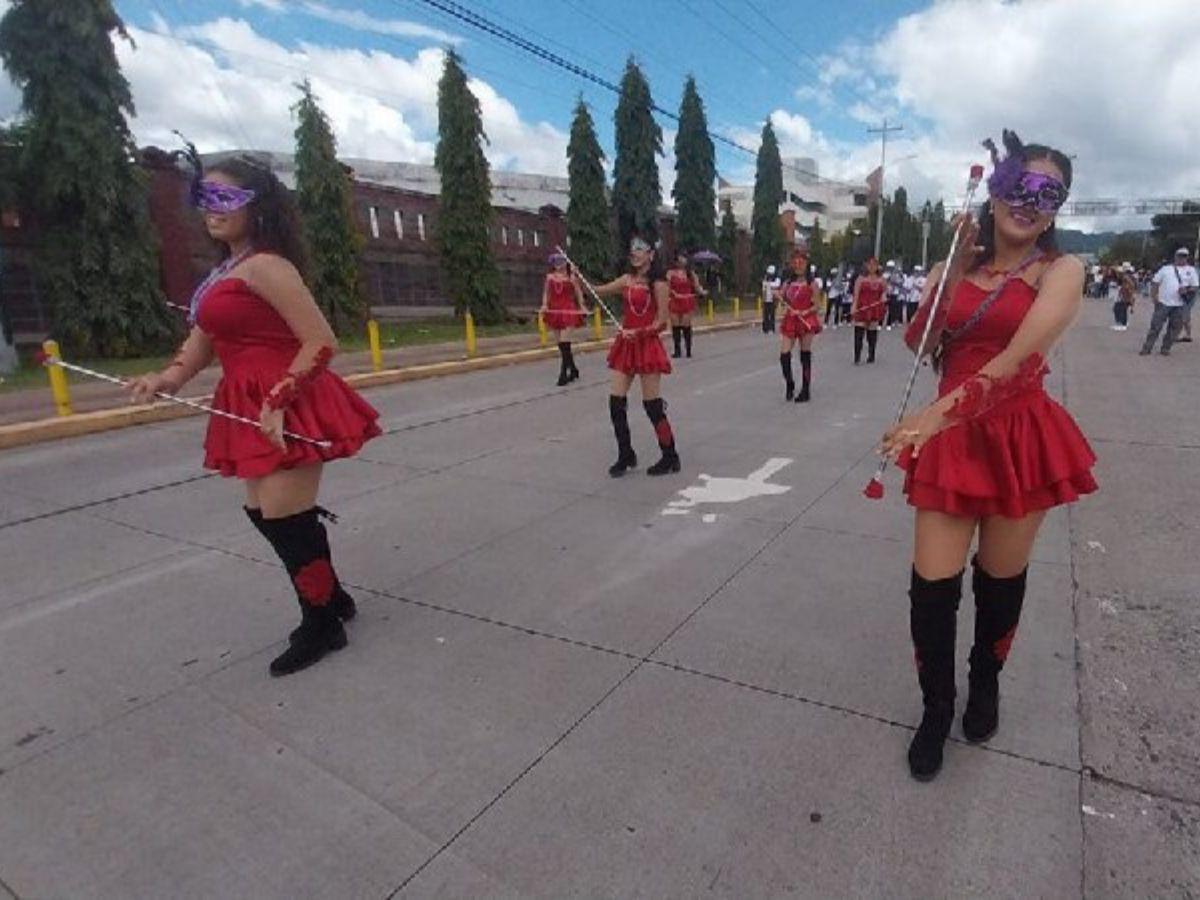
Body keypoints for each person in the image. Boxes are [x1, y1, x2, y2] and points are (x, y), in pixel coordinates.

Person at [882, 130, 1096, 782]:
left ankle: (986, 681)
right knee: (932, 589)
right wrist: (950, 277)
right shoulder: (956, 264)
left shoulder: (1063, 270)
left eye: (1047, 194)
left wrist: (934, 414)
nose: (1029, 202)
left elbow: (1020, 359)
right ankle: (936, 710)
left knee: (1000, 581)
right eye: (1017, 186)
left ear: (1057, 208)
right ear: (995, 189)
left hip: (1016, 437)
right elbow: (920, 345)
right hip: (951, 443)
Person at [127, 157, 381, 678]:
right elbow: (204, 341)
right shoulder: (224, 272)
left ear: (256, 205)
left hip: (290, 400)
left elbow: (320, 340)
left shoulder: (269, 266)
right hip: (243, 402)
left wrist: (282, 396)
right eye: (204, 198)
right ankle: (331, 596)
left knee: (286, 517)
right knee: (266, 513)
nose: (210, 210)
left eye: (224, 199)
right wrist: (167, 378)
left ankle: (322, 623)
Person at [582, 235, 680, 477]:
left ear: (651, 254)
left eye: (640, 249)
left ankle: (670, 456)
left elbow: (662, 322)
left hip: (646, 345)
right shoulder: (626, 279)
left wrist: (638, 332)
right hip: (626, 346)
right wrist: (579, 280)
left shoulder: (658, 283)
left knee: (653, 406)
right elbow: (597, 291)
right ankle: (625, 454)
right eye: (632, 248)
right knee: (616, 402)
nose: (634, 252)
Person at [777, 252, 822, 402]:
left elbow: (817, 305)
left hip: (806, 319)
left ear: (806, 265)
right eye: (795, 263)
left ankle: (805, 389)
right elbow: (782, 297)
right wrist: (777, 295)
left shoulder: (812, 284)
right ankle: (790, 383)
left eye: (801, 263)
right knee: (784, 355)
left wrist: (804, 311)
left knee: (805, 355)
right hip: (791, 319)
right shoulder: (788, 283)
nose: (798, 266)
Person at [539, 251, 587, 385]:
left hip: (568, 311)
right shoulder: (550, 278)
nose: (559, 265)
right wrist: (544, 305)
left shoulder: (572, 278)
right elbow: (546, 293)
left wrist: (582, 306)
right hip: (554, 311)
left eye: (561, 262)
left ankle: (563, 374)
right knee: (561, 344)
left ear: (566, 263)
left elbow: (578, 293)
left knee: (565, 341)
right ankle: (573, 369)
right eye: (556, 262)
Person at [1140, 248, 1199, 355]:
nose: (1182, 258)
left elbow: (1195, 286)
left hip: (1180, 304)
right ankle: (1147, 348)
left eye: (1184, 256)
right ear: (1175, 256)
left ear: (1187, 257)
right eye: (1180, 256)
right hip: (1163, 302)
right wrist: (1154, 297)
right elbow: (1155, 283)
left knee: (1174, 328)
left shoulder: (1191, 270)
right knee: (1155, 327)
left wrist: (1187, 289)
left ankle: (1165, 348)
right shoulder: (1166, 269)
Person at [667, 250, 705, 358]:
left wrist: (702, 292)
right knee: (675, 325)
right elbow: (666, 286)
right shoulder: (670, 273)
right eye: (680, 257)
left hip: (687, 300)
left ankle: (688, 349)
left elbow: (697, 286)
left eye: (684, 257)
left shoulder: (690, 273)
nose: (682, 260)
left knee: (686, 325)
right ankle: (677, 350)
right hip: (675, 300)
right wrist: (671, 293)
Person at [851, 256, 887, 363]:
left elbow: (885, 292)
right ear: (866, 266)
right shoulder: (861, 279)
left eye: (874, 265)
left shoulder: (881, 280)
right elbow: (856, 294)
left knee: (872, 332)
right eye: (869, 264)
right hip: (862, 307)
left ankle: (871, 354)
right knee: (859, 332)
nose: (872, 267)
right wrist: (854, 306)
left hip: (875, 307)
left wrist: (883, 297)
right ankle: (857, 356)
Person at [1110, 262, 1136, 331]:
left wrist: (1127, 289)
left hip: (1125, 294)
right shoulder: (1129, 276)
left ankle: (1121, 324)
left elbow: (1131, 285)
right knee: (1121, 308)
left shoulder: (1126, 276)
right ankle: (1122, 323)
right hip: (1126, 294)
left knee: (1119, 308)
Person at [761, 264, 780, 334]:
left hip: (773, 299)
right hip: (766, 298)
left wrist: (768, 284)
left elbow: (776, 285)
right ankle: (765, 328)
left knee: (772, 314)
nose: (770, 275)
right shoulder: (765, 278)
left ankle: (771, 328)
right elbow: (763, 287)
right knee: (765, 314)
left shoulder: (777, 279)